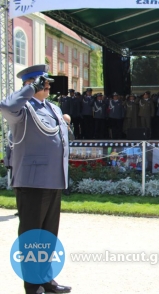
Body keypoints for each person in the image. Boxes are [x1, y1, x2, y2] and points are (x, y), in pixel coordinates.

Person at [0, 64, 71, 294]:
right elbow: (6, 105)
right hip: (32, 181)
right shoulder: (22, 108)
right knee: (32, 235)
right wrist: (29, 90)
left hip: (53, 179)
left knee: (48, 235)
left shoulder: (53, 108)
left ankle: (46, 279)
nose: (49, 85)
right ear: (32, 84)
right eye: (44, 82)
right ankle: (32, 285)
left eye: (47, 82)